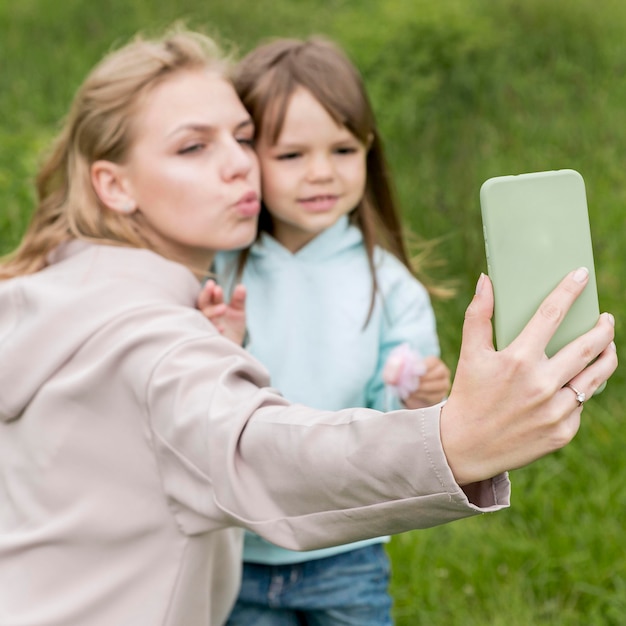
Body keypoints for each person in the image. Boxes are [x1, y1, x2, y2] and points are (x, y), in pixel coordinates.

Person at [0, 26, 616, 626]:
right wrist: (458, 439)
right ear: (114, 184)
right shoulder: (154, 339)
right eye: (194, 147)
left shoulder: (51, 292)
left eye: (243, 138)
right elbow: (260, 453)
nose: (240, 165)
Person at [201, 36, 451, 626]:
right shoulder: (216, 269)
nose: (321, 174)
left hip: (347, 548)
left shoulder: (390, 290)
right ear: (245, 158)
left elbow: (394, 426)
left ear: (369, 150)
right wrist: (218, 344)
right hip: (239, 547)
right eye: (291, 156)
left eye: (342, 149)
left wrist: (418, 398)